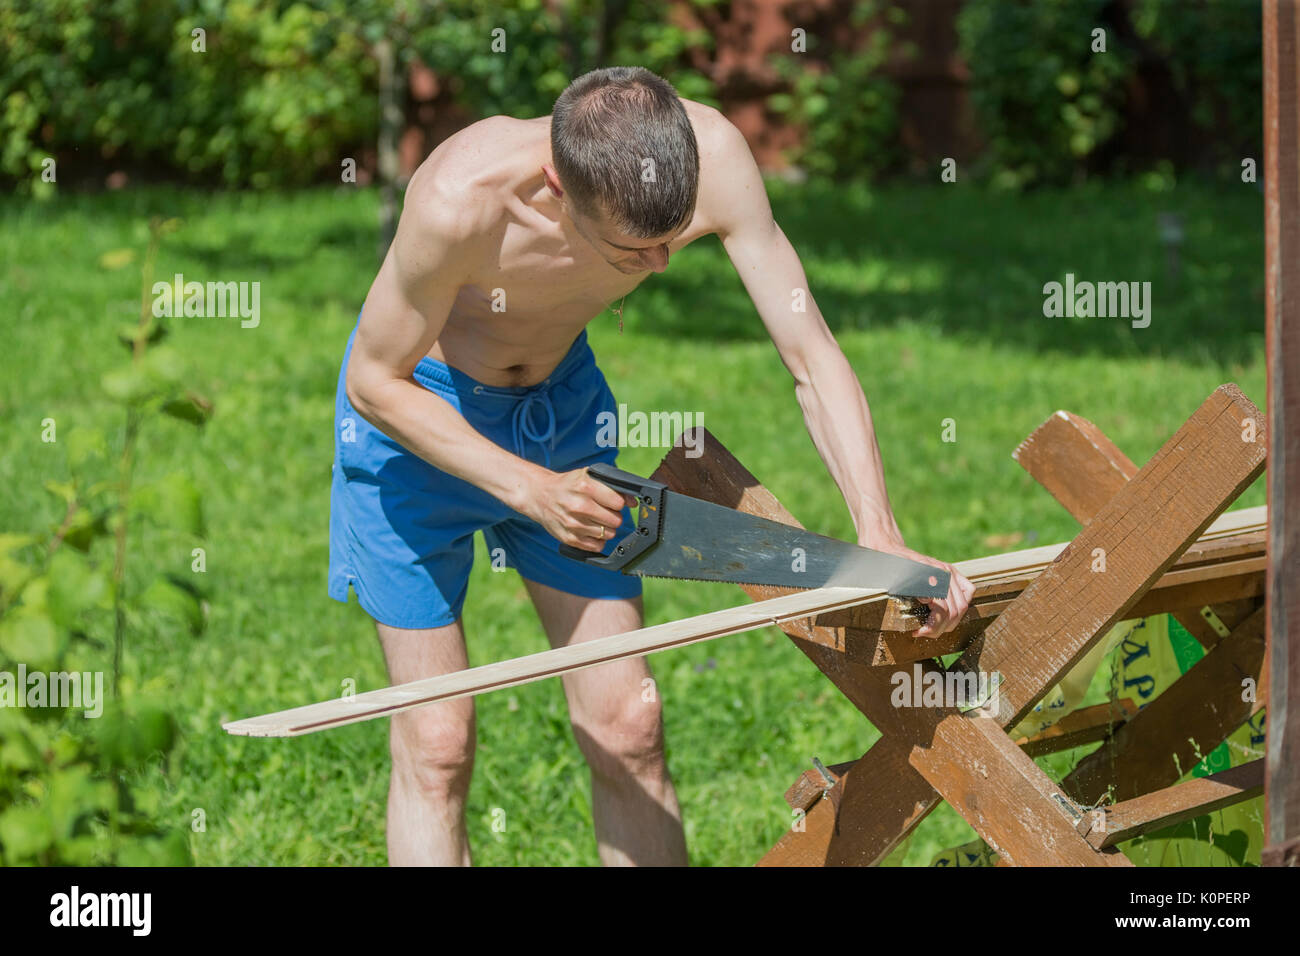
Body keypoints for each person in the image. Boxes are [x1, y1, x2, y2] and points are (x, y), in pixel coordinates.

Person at [329, 65, 974, 866]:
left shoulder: (716, 156)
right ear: (556, 185)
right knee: (436, 741)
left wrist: (881, 534)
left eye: (673, 235)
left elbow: (810, 354)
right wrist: (530, 490)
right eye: (637, 248)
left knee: (628, 724)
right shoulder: (459, 197)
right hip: (418, 430)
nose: (665, 264)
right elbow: (371, 380)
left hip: (560, 417)